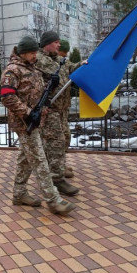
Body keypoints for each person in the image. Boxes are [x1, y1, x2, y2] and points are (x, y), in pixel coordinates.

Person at [0, 36, 75, 215]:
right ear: (24, 53)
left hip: (37, 120)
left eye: (35, 52)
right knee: (40, 161)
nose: (35, 56)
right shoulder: (12, 72)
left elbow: (37, 92)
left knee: (25, 160)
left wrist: (47, 97)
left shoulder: (31, 68)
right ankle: (53, 200)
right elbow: (7, 97)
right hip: (24, 123)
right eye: (32, 53)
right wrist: (27, 112)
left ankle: (19, 193)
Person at [36, 31, 79, 196]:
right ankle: (56, 179)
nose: (59, 45)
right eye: (56, 42)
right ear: (47, 44)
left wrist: (84, 64)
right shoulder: (40, 60)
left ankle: (55, 170)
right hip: (49, 109)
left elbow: (70, 68)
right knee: (56, 141)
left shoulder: (58, 60)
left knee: (62, 139)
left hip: (61, 109)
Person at [57, 40, 86, 178]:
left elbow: (72, 67)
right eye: (63, 53)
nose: (65, 55)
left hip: (63, 107)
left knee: (66, 137)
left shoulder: (64, 62)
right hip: (53, 109)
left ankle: (60, 164)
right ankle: (57, 167)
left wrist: (81, 64)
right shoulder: (50, 63)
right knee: (58, 139)